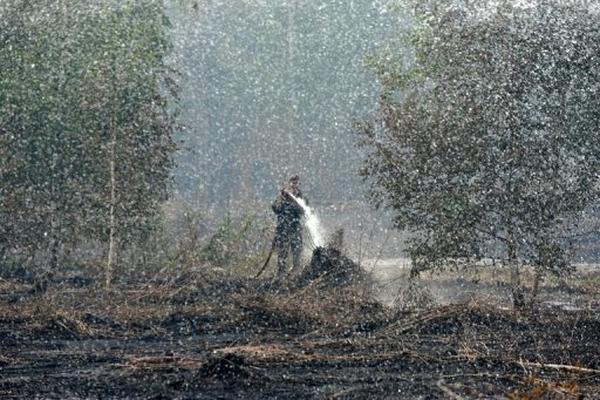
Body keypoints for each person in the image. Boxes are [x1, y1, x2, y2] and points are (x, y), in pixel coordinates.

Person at [271, 175, 305, 282]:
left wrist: (294, 200)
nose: (294, 186)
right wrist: (282, 197)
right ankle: (280, 275)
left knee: (296, 252)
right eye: (292, 183)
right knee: (282, 254)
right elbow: (275, 208)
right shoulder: (282, 197)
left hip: (295, 229)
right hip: (283, 229)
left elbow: (302, 211)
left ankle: (295, 274)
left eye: (296, 183)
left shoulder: (301, 198)